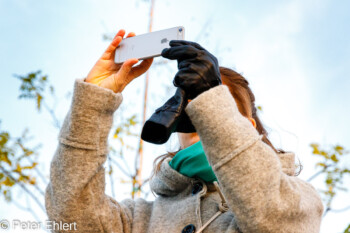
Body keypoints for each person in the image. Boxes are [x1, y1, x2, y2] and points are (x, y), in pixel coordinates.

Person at [45, 29, 324, 233]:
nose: (200, 115)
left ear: (247, 126)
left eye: (212, 103)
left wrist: (213, 105)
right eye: (190, 106)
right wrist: (93, 101)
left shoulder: (300, 198)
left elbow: (272, 219)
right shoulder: (137, 220)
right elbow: (69, 217)